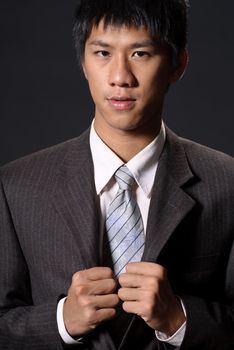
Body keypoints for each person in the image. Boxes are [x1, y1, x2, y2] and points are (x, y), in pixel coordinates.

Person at [0, 0, 234, 349]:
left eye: (140, 53)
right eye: (103, 53)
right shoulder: (16, 185)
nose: (120, 77)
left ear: (177, 63)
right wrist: (61, 320)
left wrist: (180, 319)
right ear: (83, 60)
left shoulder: (227, 182)